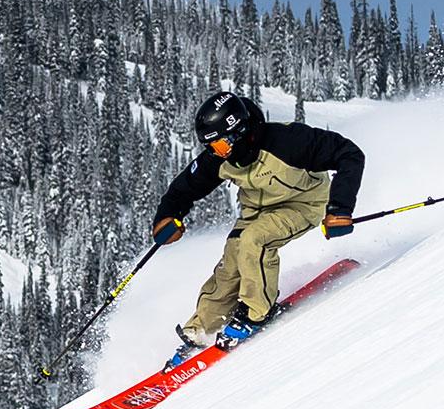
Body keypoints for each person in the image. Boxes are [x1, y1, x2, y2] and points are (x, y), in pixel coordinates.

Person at [151, 91, 364, 367]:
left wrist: (339, 208)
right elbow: (183, 188)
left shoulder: (288, 142)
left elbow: (349, 154)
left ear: (237, 132)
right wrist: (167, 216)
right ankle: (202, 330)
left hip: (304, 204)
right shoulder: (219, 158)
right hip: (257, 211)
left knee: (255, 240)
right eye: (211, 147)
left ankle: (256, 312)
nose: (216, 153)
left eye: (220, 146)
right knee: (234, 255)